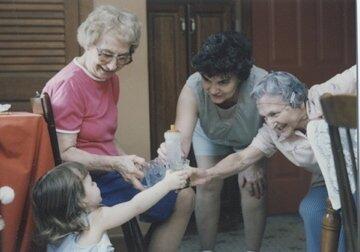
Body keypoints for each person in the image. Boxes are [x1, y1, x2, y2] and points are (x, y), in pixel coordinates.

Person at [42, 5, 194, 252]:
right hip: (81, 183)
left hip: (105, 173)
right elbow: (64, 155)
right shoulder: (69, 85)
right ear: (88, 43)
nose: (113, 65)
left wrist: (129, 163)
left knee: (181, 191)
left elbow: (104, 139)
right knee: (182, 196)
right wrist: (116, 164)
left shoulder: (109, 80)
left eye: (123, 57)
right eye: (106, 54)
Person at [191, 65, 356, 252]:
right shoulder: (272, 132)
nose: (271, 123)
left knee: (350, 211)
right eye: (265, 117)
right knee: (311, 209)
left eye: (274, 114)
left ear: (297, 101)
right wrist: (207, 174)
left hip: (355, 172)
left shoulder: (324, 95)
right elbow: (241, 159)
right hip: (329, 180)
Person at [158, 31, 268, 252]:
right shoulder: (193, 87)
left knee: (251, 187)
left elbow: (273, 128)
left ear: (241, 76)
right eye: (208, 80)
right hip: (210, 133)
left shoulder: (262, 83)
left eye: (223, 82)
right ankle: (207, 249)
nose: (213, 89)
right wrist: (172, 152)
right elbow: (182, 137)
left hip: (253, 138)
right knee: (207, 184)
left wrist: (254, 162)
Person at [32, 162, 191, 251]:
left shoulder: (57, 234)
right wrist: (167, 184)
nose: (96, 184)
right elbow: (136, 205)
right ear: (81, 201)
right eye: (91, 183)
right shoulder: (97, 218)